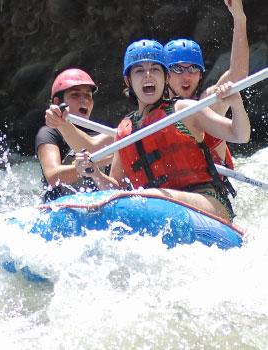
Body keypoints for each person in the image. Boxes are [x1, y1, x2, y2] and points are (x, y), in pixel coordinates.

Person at [74, 39, 250, 223]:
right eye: (139, 70)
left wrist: (236, 104)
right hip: (154, 208)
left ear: (166, 78)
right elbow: (116, 189)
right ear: (128, 80)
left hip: (208, 204)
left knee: (150, 196)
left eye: (155, 69)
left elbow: (241, 135)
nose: (148, 75)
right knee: (140, 199)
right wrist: (94, 173)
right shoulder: (125, 131)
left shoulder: (184, 110)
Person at [164, 0, 248, 176]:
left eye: (193, 69)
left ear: (201, 74)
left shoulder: (208, 104)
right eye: (178, 69)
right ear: (165, 76)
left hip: (212, 193)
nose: (187, 76)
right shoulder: (152, 115)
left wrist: (239, 18)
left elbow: (238, 75)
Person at [35, 68, 111, 202]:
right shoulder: (49, 133)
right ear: (58, 103)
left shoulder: (103, 133)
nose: (84, 101)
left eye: (88, 95)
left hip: (99, 204)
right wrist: (83, 167)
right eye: (75, 95)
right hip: (59, 207)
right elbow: (53, 177)